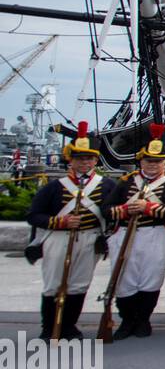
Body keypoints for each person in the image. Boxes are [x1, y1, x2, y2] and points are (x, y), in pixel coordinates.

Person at [26, 122, 109, 341]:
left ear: (95, 160)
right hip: (58, 237)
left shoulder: (106, 185)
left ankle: (70, 326)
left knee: (79, 284)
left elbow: (111, 210)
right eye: (80, 159)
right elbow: (34, 215)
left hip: (89, 238)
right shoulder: (54, 187)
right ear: (70, 160)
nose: (85, 163)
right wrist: (60, 222)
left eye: (89, 159)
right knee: (54, 283)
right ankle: (49, 327)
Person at [103, 124, 165, 339]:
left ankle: (143, 320)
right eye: (148, 161)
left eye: (157, 161)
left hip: (156, 234)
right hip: (125, 233)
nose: (152, 165)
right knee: (124, 279)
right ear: (141, 161)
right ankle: (127, 320)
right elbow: (106, 209)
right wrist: (124, 210)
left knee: (151, 278)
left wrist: (149, 208)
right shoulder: (126, 182)